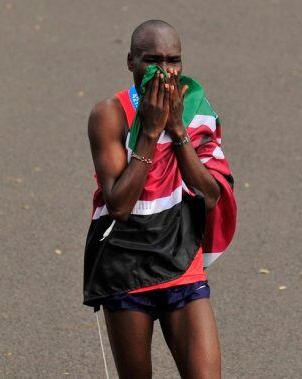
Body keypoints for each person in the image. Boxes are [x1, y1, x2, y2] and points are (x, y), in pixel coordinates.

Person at [83, 20, 236, 378]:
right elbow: (119, 204)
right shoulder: (110, 114)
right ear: (131, 62)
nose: (165, 71)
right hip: (125, 266)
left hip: (181, 259)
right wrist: (150, 131)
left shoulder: (195, 110)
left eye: (173, 60)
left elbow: (210, 194)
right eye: (152, 60)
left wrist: (177, 128)